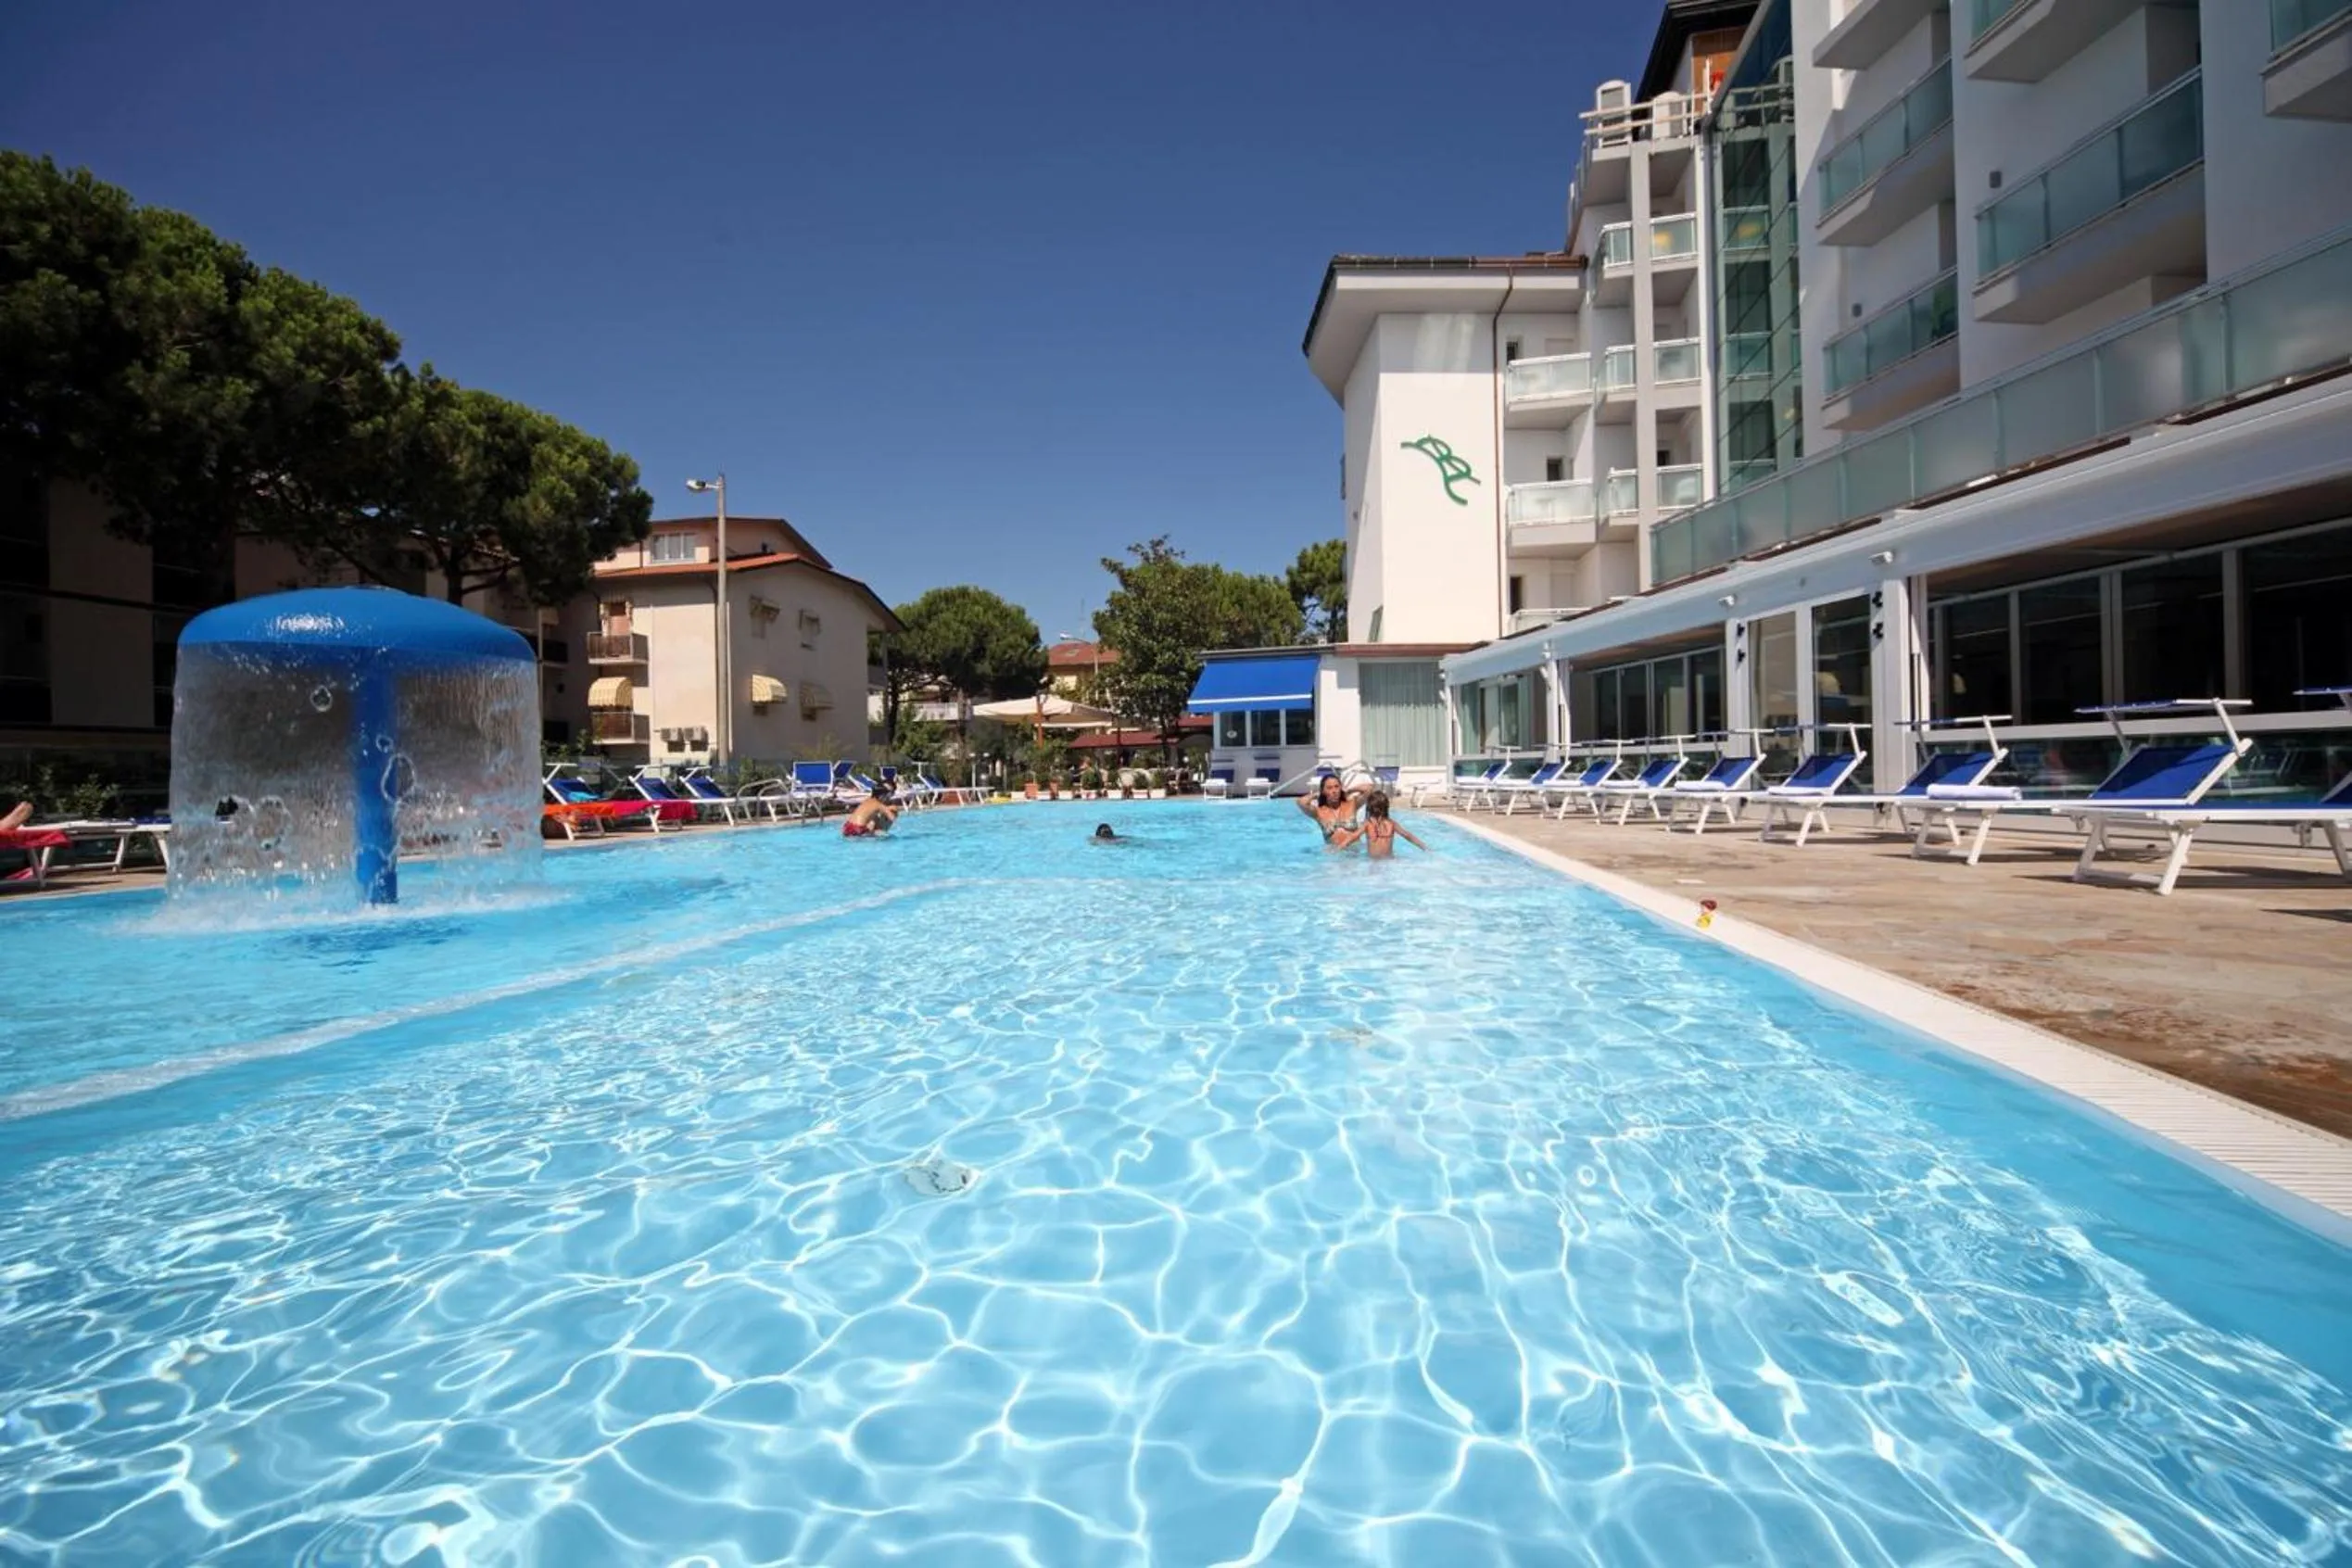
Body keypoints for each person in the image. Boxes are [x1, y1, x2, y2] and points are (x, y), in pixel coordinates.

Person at [1296, 772, 1367, 849]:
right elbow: (1301, 802)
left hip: (1355, 853)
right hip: (1334, 854)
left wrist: (1349, 790)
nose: (1334, 791)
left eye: (1337, 787)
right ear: (1323, 791)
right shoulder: (1319, 812)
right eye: (1329, 788)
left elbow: (1369, 789)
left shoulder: (1352, 804)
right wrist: (1317, 795)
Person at [1354, 790, 1426, 859]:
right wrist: (1423, 846)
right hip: (1389, 861)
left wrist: (1342, 846)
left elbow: (1353, 837)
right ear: (1386, 808)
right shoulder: (1391, 823)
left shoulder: (1368, 824)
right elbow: (1407, 835)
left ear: (1369, 808)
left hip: (1374, 863)